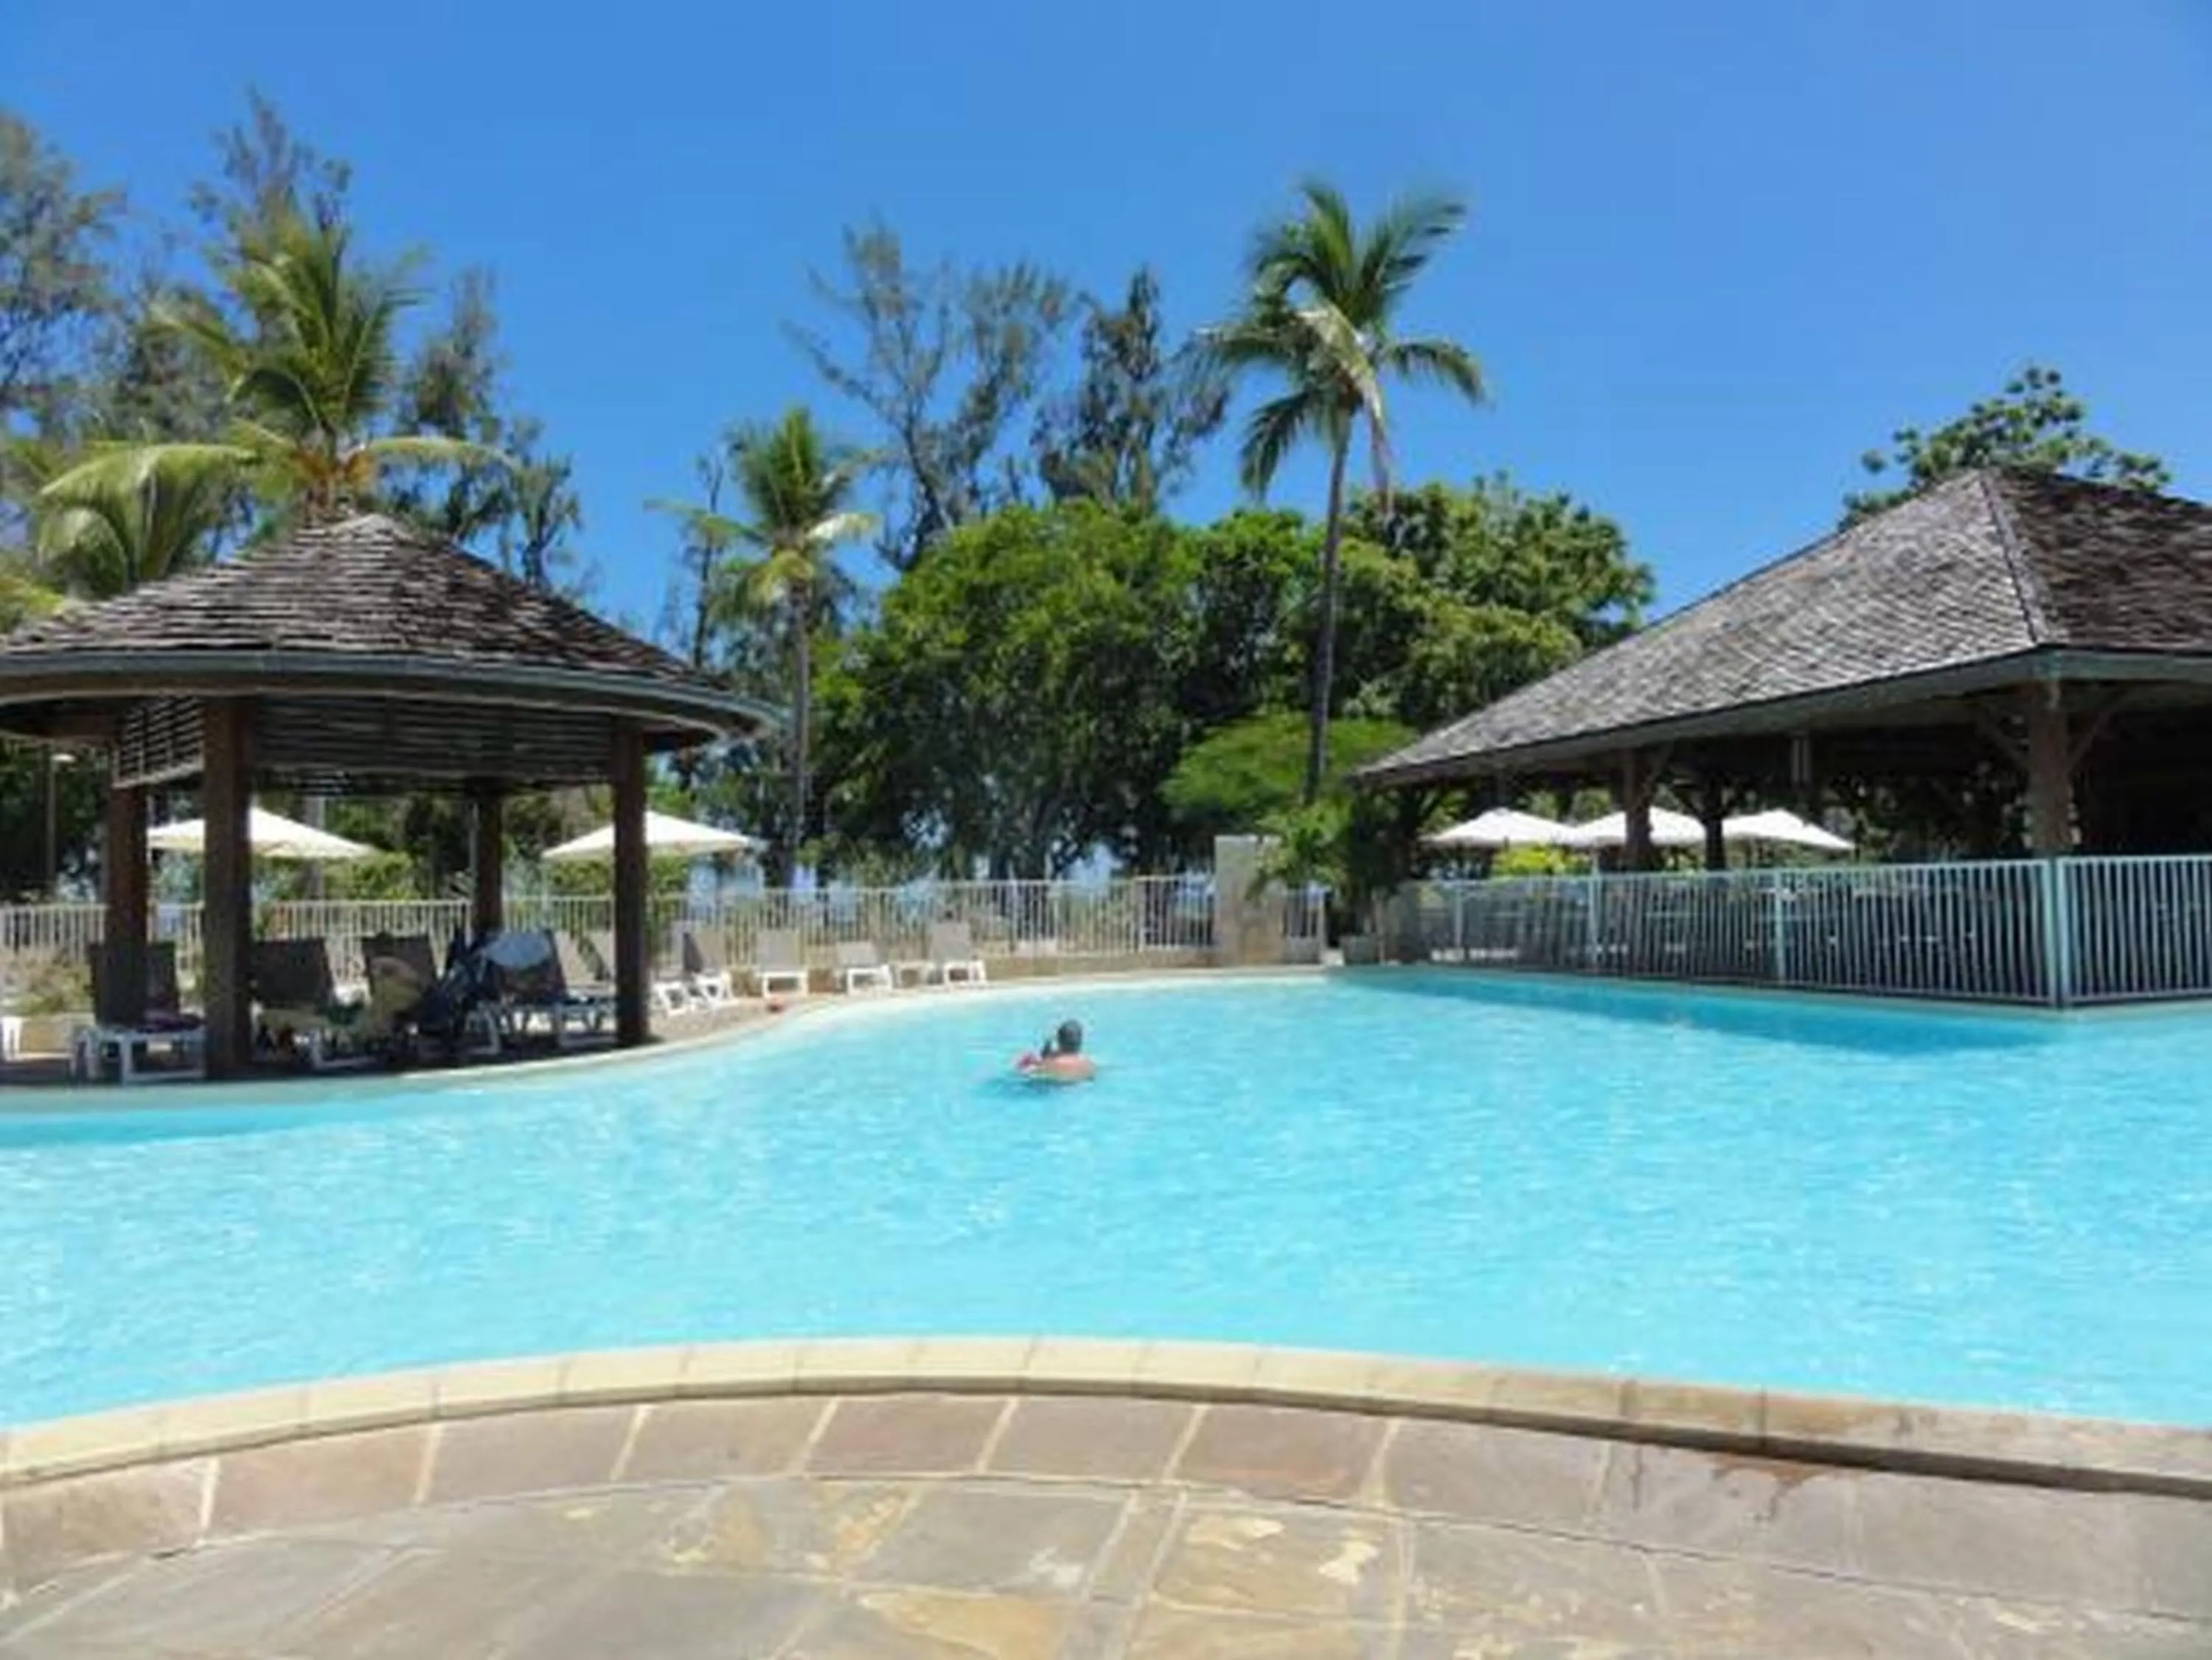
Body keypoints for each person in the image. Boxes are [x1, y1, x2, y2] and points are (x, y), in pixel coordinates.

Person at [1018, 1017, 1096, 1084]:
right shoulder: (1088, 1064)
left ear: (1059, 1041)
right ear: (1080, 1042)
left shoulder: (1050, 1064)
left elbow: (1023, 1072)